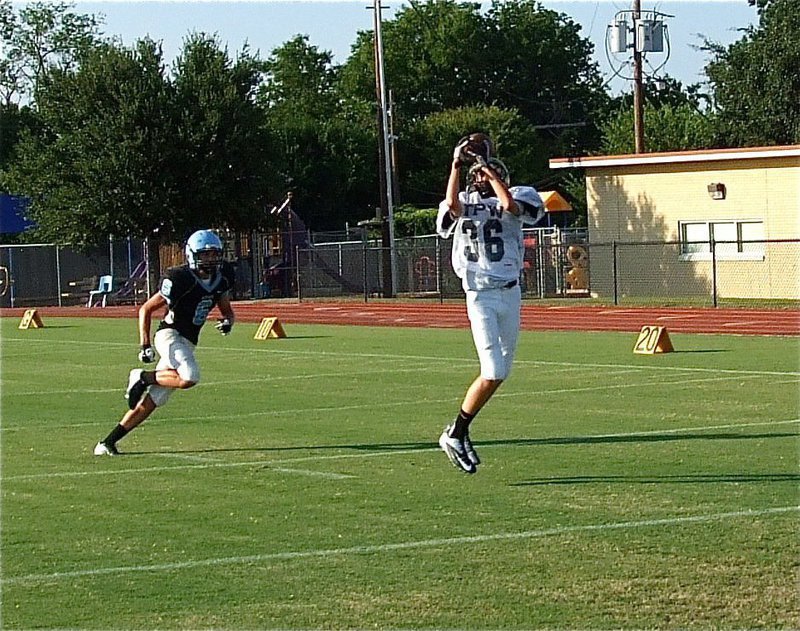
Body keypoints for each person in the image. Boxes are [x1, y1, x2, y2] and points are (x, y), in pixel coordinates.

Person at [436, 135, 543, 474]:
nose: (485, 175)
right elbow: (452, 207)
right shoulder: (463, 198)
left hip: (510, 292)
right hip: (480, 294)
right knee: (493, 369)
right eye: (481, 173)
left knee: (502, 372)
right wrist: (456, 163)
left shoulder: (520, 194)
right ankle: (456, 432)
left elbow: (511, 207)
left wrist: (488, 170)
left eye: (493, 173)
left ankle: (458, 431)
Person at [93, 229, 236, 455]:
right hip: (169, 335)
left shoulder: (221, 279)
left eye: (213, 254)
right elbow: (146, 309)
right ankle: (142, 376)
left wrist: (228, 322)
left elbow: (228, 311)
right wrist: (145, 344)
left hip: (188, 342)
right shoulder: (180, 278)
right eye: (205, 254)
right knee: (190, 377)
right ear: (192, 255)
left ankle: (107, 442)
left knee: (153, 401)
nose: (210, 259)